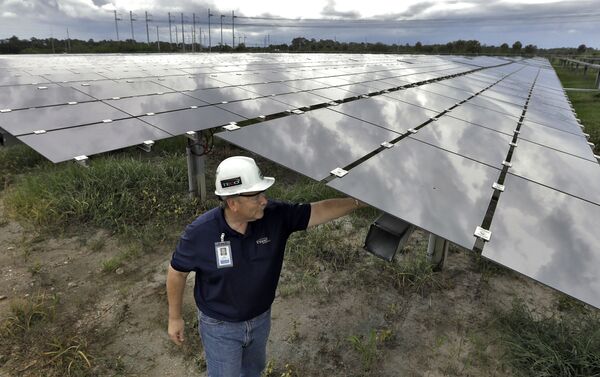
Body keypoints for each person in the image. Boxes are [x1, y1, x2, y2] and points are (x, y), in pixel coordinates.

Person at [167, 156, 365, 377]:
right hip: (220, 327)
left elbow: (318, 211)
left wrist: (358, 202)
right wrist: (175, 317)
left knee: (253, 371)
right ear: (233, 203)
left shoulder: (275, 216)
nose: (264, 200)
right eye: (256, 196)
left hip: (260, 319)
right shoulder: (200, 233)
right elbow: (177, 272)